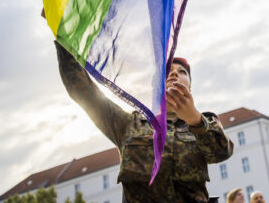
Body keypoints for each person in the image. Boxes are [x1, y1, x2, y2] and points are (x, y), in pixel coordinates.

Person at [56, 41, 234, 202]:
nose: (174, 73)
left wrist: (195, 119)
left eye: (182, 72)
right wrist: (64, 40)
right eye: (168, 72)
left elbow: (220, 153)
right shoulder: (129, 124)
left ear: (189, 85)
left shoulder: (205, 122)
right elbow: (84, 92)